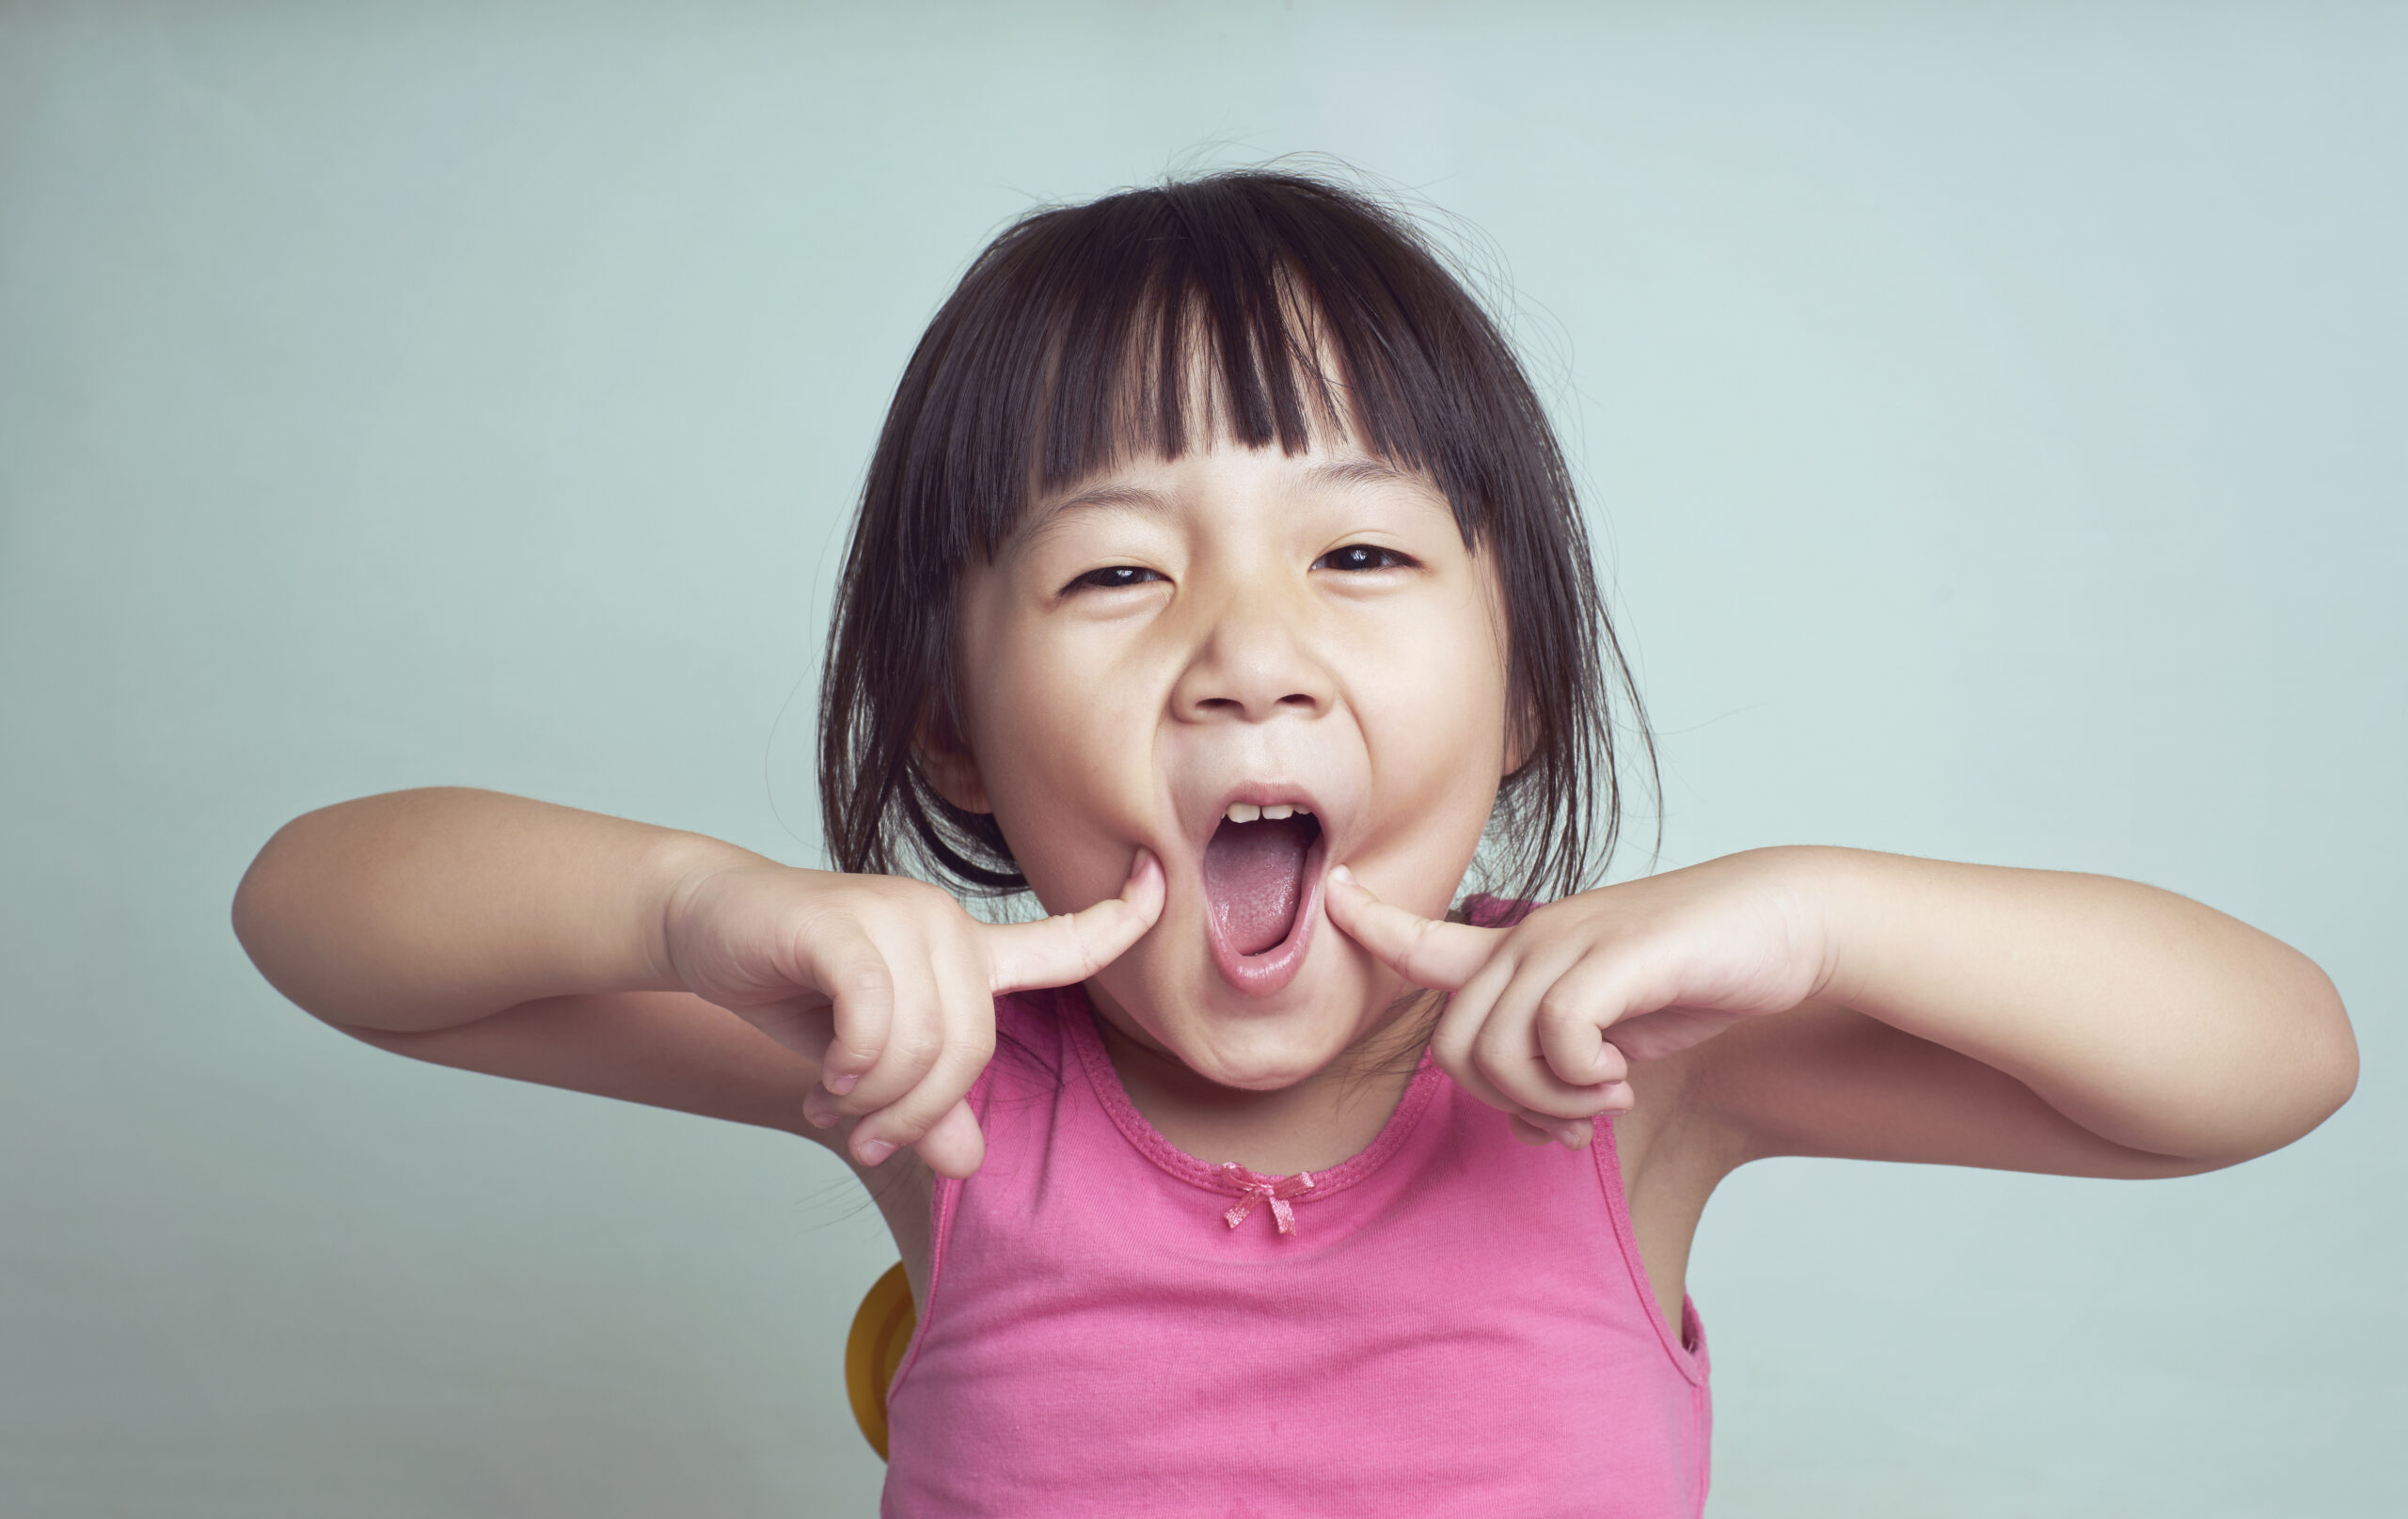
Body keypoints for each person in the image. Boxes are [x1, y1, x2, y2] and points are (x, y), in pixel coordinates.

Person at [230, 168, 2358, 1517]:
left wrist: (1817, 917)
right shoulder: (939, 1079)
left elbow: (2266, 1060)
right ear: (953, 737)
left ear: (1522, 692)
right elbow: (313, 916)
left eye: (1352, 549)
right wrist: (703, 911)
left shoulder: (1639, 1084)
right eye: (1111, 577)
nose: (1246, 654)